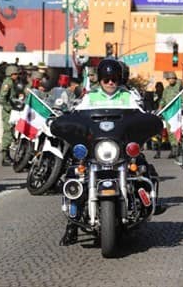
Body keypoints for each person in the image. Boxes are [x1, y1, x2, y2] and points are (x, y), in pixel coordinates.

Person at [61, 58, 163, 245]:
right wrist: (65, 120)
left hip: (120, 148)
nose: (110, 82)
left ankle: (146, 202)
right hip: (96, 148)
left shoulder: (128, 97)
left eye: (114, 78)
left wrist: (149, 119)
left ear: (119, 79)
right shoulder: (89, 97)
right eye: (106, 78)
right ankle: (71, 225)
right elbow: (75, 115)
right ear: (100, 79)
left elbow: (142, 114)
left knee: (141, 167)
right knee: (74, 174)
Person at [0, 65, 28, 166]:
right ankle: (5, 157)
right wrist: (9, 108)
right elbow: (1, 98)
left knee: (14, 132)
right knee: (8, 133)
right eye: (15, 74)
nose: (17, 76)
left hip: (14, 110)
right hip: (8, 112)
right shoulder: (7, 83)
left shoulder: (13, 82)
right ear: (10, 74)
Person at [158, 71, 183, 161]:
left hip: (178, 112)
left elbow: (181, 83)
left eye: (173, 78)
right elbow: (163, 100)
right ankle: (174, 149)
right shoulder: (166, 90)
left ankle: (180, 148)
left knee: (179, 130)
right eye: (169, 79)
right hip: (169, 113)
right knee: (170, 131)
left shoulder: (179, 85)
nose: (171, 80)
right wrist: (160, 108)